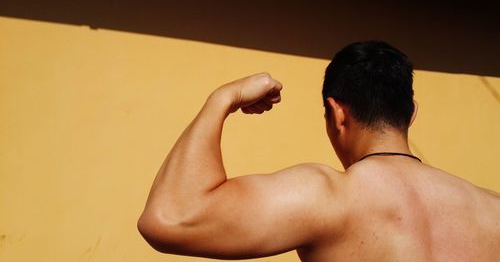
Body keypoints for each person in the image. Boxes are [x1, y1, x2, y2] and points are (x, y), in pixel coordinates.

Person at [137, 41, 500, 261]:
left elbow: (171, 216)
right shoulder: (492, 209)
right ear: (412, 113)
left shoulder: (327, 197)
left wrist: (223, 98)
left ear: (337, 114)